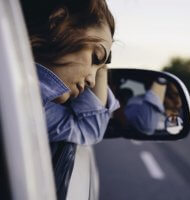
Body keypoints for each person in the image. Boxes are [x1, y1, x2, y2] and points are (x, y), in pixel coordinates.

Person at [21, 0, 119, 198]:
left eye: (98, 69)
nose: (92, 81)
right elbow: (90, 127)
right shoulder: (19, 101)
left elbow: (89, 129)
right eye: (95, 57)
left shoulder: (35, 107)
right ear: (57, 21)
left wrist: (102, 63)